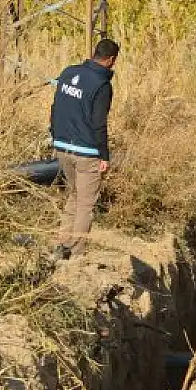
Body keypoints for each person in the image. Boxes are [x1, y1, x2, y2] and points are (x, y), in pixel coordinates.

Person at [48, 38, 119, 260]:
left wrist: (55, 134)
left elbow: (55, 106)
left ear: (94, 53)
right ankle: (76, 253)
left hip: (61, 146)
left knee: (74, 196)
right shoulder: (102, 85)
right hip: (86, 152)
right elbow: (99, 123)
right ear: (111, 60)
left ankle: (63, 243)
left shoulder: (68, 72)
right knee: (86, 204)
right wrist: (104, 155)